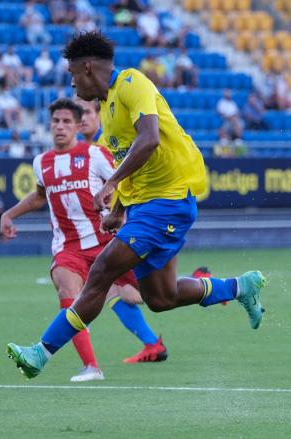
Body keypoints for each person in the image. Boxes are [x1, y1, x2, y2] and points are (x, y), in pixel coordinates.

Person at [7, 31, 266, 379]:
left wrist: (111, 182)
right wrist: (117, 211)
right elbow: (133, 166)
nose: (71, 85)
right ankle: (240, 287)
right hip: (146, 205)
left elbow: (149, 139)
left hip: (169, 199)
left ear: (86, 68)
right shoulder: (108, 115)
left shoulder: (131, 82)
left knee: (101, 271)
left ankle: (41, 353)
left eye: (71, 75)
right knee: (160, 298)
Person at [2, 99, 162, 382]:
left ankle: (219, 287)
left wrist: (119, 215)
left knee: (158, 296)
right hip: (68, 249)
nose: (60, 127)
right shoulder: (42, 162)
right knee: (68, 291)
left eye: (66, 122)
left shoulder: (96, 155)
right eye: (55, 122)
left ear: (77, 125)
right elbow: (41, 195)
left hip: (107, 244)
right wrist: (10, 214)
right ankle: (91, 367)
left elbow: (122, 184)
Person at [76, 97, 168, 363]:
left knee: (133, 291)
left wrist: (122, 218)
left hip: (126, 227)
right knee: (118, 291)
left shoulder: (105, 145)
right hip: (116, 227)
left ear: (99, 114)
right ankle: (152, 343)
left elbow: (123, 183)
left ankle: (202, 284)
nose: (82, 118)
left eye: (86, 113)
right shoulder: (89, 148)